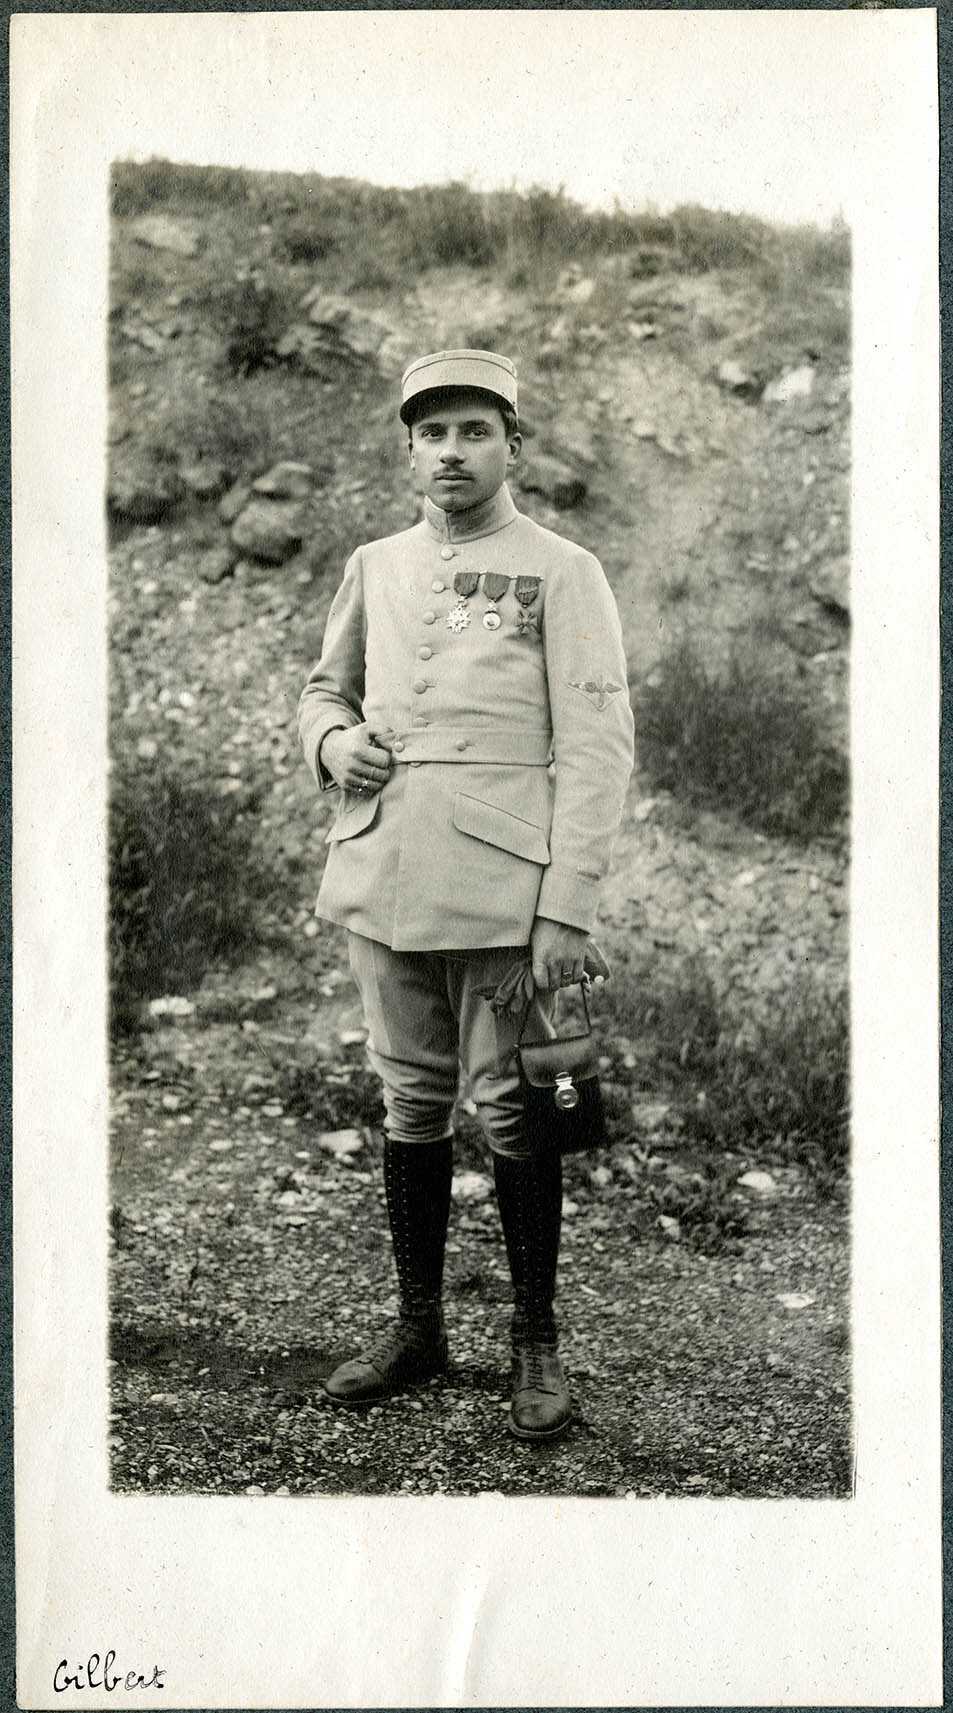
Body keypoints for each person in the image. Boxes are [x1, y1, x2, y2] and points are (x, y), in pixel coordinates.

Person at [298, 349, 633, 1442]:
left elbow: (595, 745)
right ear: (407, 450)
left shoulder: (560, 569)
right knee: (407, 1101)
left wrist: (565, 904)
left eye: (474, 431)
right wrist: (334, 741)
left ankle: (532, 1344)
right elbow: (322, 690)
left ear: (512, 446)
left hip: (501, 889)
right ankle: (417, 1328)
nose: (451, 451)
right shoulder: (375, 563)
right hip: (381, 871)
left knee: (513, 1110)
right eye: (431, 433)